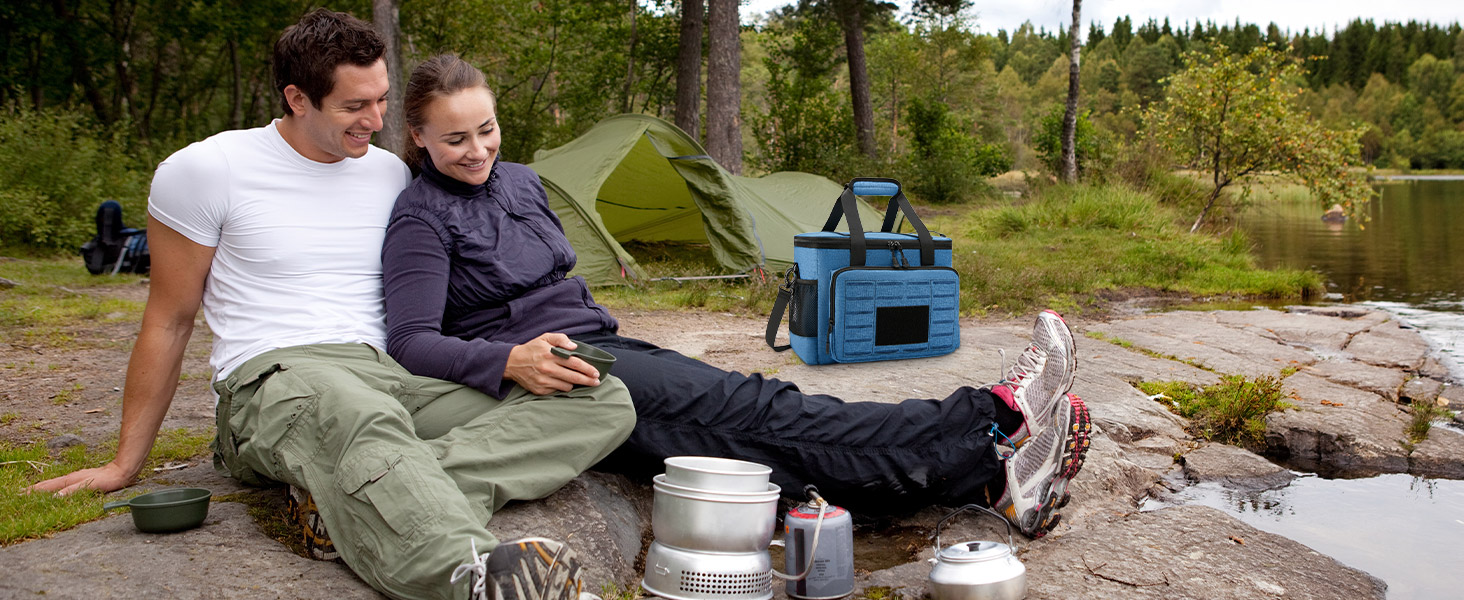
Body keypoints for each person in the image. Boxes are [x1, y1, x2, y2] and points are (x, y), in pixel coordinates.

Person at [29, 11, 633, 600]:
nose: (376, 120)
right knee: (357, 413)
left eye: (382, 99)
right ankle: (472, 576)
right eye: (354, 106)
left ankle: (352, 496)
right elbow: (169, 320)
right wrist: (124, 464)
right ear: (297, 98)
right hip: (276, 376)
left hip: (389, 376)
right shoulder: (206, 170)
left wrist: (510, 355)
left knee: (596, 395)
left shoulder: (389, 173)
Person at [382, 55, 1094, 537]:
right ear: (417, 136)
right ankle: (995, 415)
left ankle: (986, 478)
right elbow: (410, 342)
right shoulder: (420, 218)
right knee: (761, 413)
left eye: (487, 129)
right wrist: (509, 362)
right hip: (559, 372)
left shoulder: (522, 180)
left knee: (760, 444)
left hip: (605, 346)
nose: (477, 150)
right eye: (455, 139)